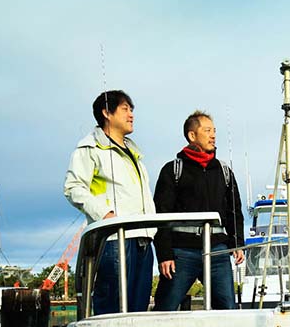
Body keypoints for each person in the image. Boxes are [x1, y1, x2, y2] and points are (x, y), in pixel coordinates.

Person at [64, 90, 156, 313]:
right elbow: (73, 187)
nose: (131, 115)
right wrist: (105, 215)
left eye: (131, 110)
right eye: (125, 109)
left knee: (138, 310)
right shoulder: (91, 148)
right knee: (113, 308)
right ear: (106, 112)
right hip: (115, 238)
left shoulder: (134, 153)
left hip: (143, 239)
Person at [153, 110, 245, 310]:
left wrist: (237, 243)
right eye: (207, 130)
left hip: (218, 251)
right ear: (192, 135)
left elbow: (234, 211)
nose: (213, 135)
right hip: (181, 252)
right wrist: (164, 254)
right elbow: (160, 214)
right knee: (165, 308)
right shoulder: (172, 170)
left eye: (214, 131)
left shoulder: (224, 171)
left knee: (227, 309)